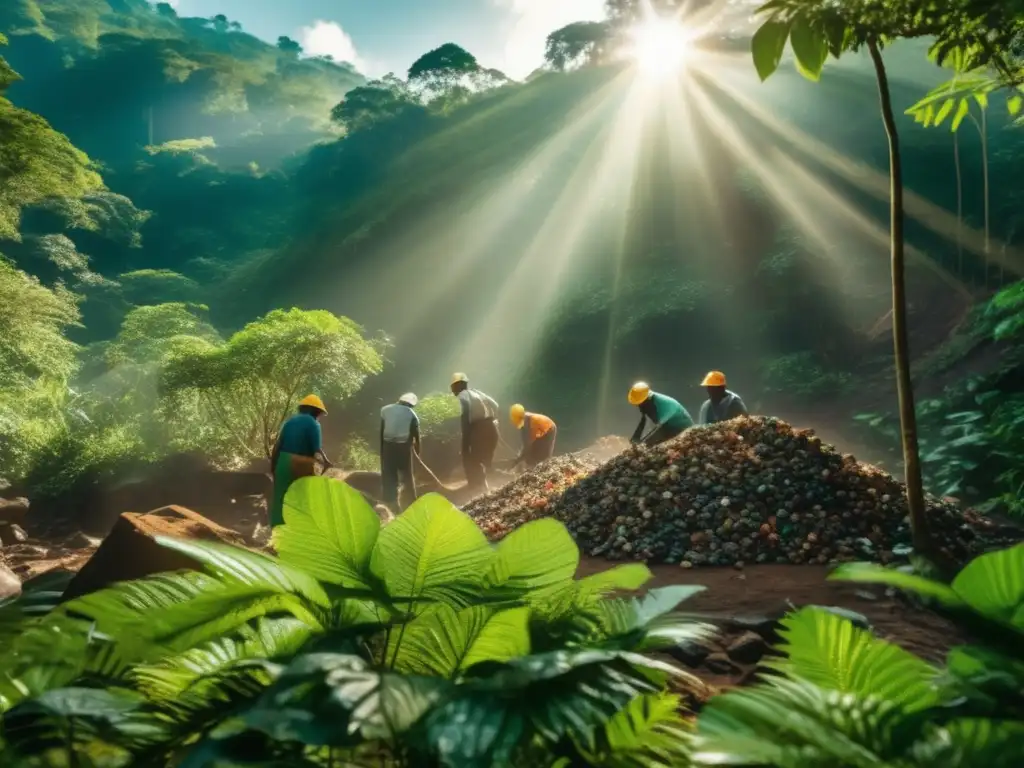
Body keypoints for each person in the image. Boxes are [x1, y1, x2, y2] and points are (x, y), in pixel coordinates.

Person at [269, 394, 332, 527]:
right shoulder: (314, 424)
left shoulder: (289, 422)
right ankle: (299, 530)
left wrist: (274, 465)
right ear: (316, 411)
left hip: (284, 460)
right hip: (302, 462)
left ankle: (277, 531)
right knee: (303, 498)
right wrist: (325, 462)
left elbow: (278, 445)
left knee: (281, 497)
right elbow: (316, 448)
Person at [450, 372, 500, 491]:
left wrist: (465, 445)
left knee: (469, 459)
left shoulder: (462, 396)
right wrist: (492, 421)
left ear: (456, 386)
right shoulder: (478, 392)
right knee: (482, 460)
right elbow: (496, 405)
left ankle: (476, 489)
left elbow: (465, 418)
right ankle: (486, 487)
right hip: (492, 429)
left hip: (479, 431)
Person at [380, 392, 421, 511]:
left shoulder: (385, 410)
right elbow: (416, 436)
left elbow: (382, 431)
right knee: (407, 474)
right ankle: (411, 502)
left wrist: (383, 450)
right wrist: (418, 451)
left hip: (388, 446)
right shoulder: (412, 414)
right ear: (411, 405)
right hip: (403, 447)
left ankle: (390, 503)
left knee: (389, 473)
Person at [628, 382, 693, 447]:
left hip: (682, 428)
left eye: (640, 403)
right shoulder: (646, 403)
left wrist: (642, 445)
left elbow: (658, 429)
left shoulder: (665, 405)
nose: (639, 406)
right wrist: (635, 438)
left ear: (647, 398)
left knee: (650, 445)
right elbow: (644, 420)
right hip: (666, 426)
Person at [510, 404, 557, 469]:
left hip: (549, 428)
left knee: (543, 455)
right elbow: (525, 441)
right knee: (530, 452)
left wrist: (518, 459)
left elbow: (528, 444)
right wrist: (520, 456)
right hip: (539, 428)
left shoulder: (527, 421)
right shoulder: (523, 419)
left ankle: (543, 469)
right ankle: (530, 467)